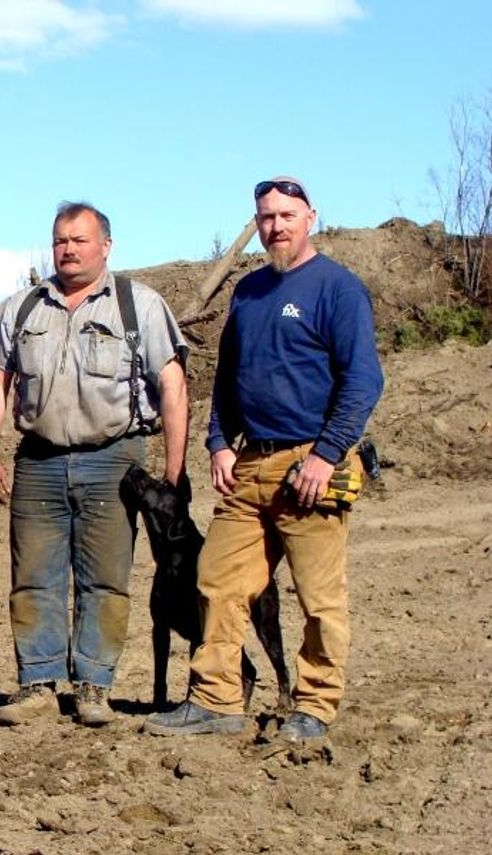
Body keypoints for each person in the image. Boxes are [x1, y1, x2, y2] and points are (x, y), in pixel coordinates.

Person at [145, 176, 384, 742]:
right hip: (249, 465)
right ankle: (217, 701)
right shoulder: (248, 292)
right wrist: (220, 441)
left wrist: (327, 456)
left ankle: (315, 707)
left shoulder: (337, 289)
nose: (275, 226)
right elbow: (228, 379)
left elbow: (363, 381)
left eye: (286, 215)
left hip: (309, 468)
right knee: (217, 582)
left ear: (311, 218)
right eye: (266, 218)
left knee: (319, 598)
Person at [0, 201, 189, 727]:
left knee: (106, 579)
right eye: (60, 241)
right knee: (33, 577)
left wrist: (175, 471)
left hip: (114, 460)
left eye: (80, 240)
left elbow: (173, 386)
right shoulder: (23, 306)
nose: (68, 250)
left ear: (106, 246)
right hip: (39, 461)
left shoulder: (139, 306)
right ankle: (37, 685)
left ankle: (95, 687)